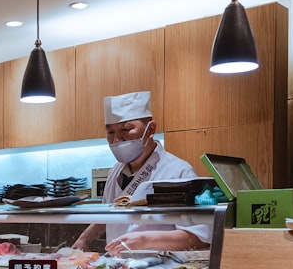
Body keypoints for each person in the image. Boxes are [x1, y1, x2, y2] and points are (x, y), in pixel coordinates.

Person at [72, 91, 209, 254]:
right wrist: (84, 238)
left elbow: (198, 238)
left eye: (126, 129)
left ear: (151, 129)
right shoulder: (115, 171)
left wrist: (145, 240)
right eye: (110, 132)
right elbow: (110, 214)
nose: (116, 139)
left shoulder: (179, 172)